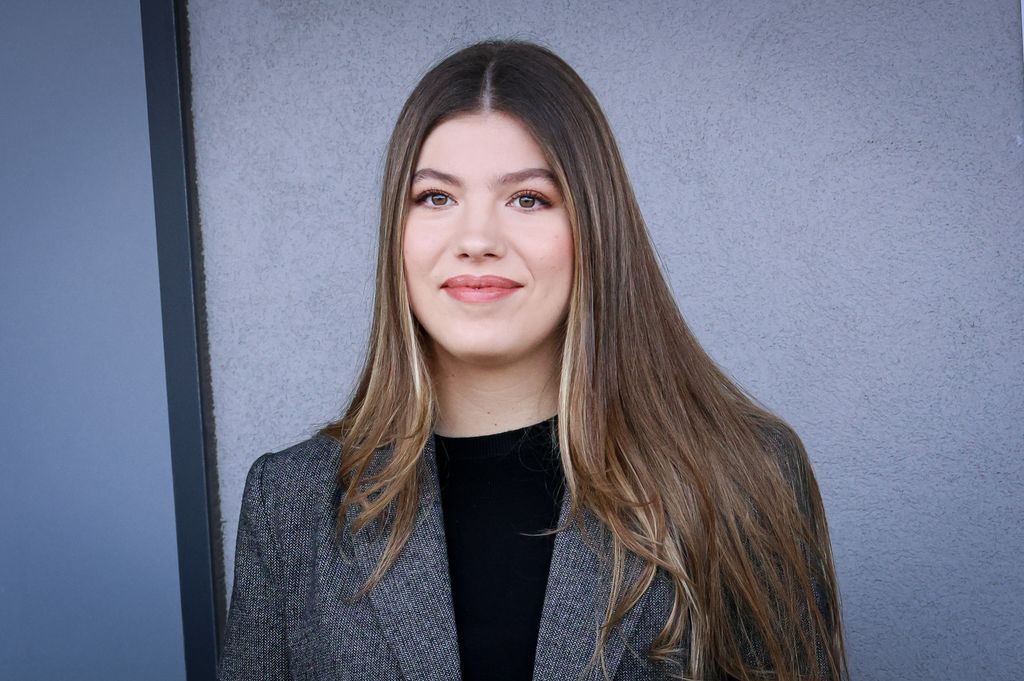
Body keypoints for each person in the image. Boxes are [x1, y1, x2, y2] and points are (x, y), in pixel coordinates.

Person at [217, 38, 849, 681]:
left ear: (593, 229)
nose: (477, 241)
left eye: (528, 199)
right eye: (436, 198)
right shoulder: (292, 501)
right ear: (395, 235)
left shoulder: (741, 476)